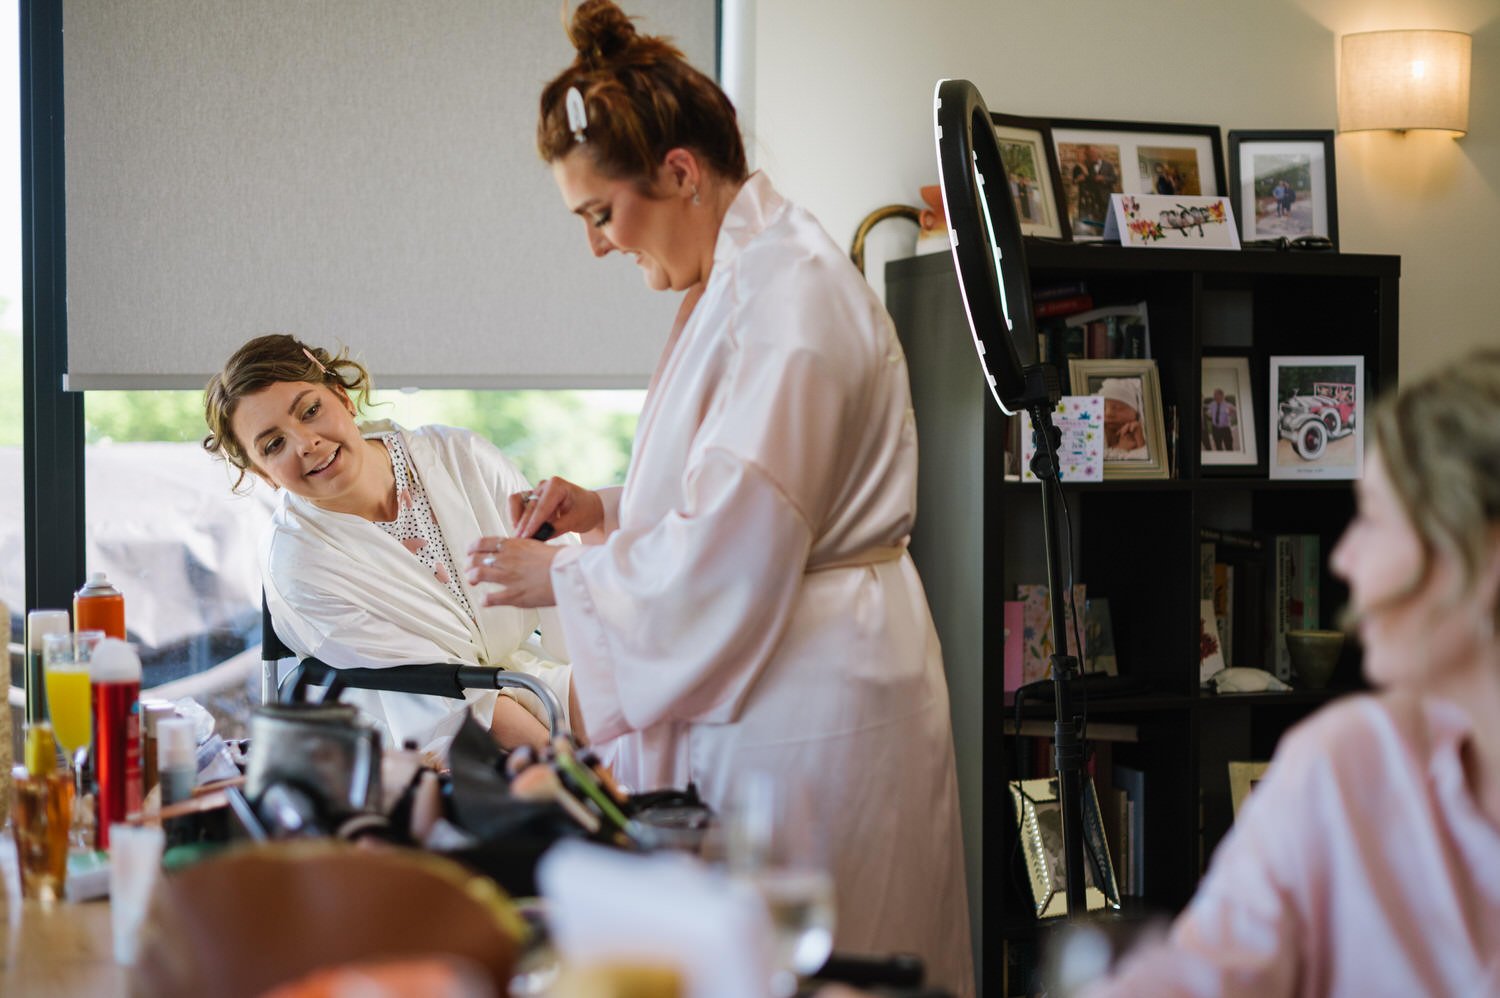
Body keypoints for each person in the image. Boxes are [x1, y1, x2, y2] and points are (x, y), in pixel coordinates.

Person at [465, 3, 973, 993]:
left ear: (681, 172)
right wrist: (607, 509)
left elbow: (739, 541)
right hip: (785, 660)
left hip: (810, 690)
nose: (599, 246)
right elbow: (755, 481)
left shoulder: (789, 296)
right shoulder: (746, 271)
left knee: (816, 950)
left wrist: (562, 574)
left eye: (599, 214)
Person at [1083, 348, 1500, 996]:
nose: (1343, 559)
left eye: (1375, 518)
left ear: (1483, 556)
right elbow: (1198, 975)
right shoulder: (1346, 764)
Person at [202, 334, 577, 753]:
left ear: (343, 399)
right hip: (421, 740)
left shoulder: (459, 456)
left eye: (311, 410)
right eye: (274, 445)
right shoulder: (298, 566)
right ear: (264, 474)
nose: (306, 443)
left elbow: (562, 583)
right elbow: (442, 698)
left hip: (532, 677)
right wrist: (579, 775)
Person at [1099, 377, 1149, 459]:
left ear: (1136, 413)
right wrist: (1120, 447)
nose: (1108, 414)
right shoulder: (1098, 429)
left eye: (1118, 408)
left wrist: (1140, 440)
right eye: (1103, 408)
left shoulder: (1141, 428)